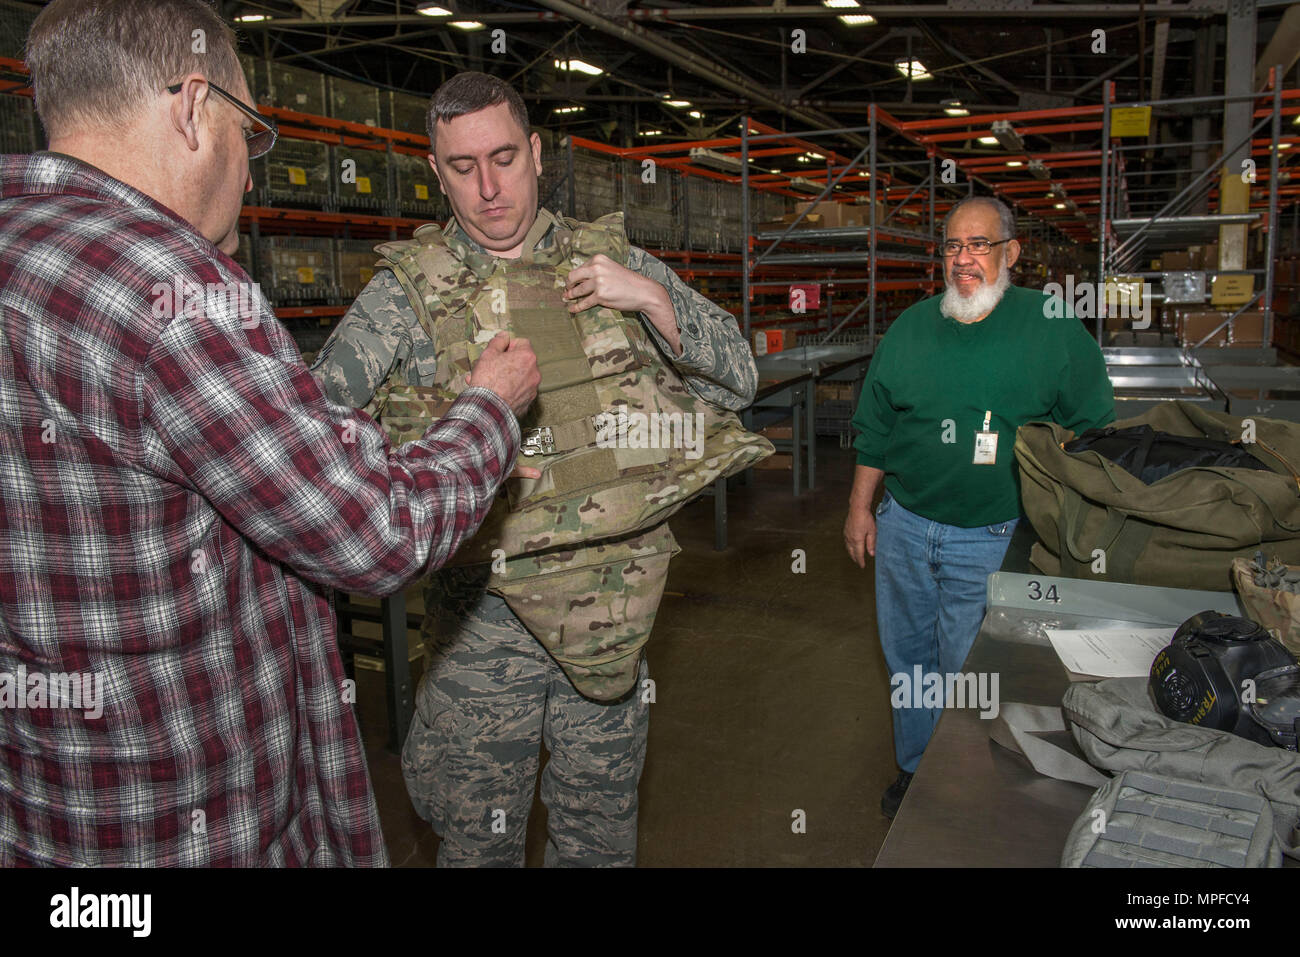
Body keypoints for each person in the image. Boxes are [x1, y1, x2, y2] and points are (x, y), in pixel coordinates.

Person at [0, 0, 539, 866]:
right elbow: (376, 529)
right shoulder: (172, 292)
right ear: (191, 108)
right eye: (249, 136)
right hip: (193, 817)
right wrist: (489, 406)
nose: (252, 174)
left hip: (51, 810)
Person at [310, 71, 768, 867]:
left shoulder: (613, 260)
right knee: (479, 842)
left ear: (536, 151)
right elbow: (310, 440)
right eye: (461, 168)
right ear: (435, 169)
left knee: (597, 839)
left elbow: (740, 375)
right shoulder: (404, 297)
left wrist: (656, 302)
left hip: (615, 616)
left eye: (503, 159)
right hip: (487, 621)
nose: (488, 189)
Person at [842, 195, 1115, 819]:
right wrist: (861, 509)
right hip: (905, 525)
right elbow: (875, 428)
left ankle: (962, 782)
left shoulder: (1050, 324)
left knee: (970, 668)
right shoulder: (912, 327)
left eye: (979, 246)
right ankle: (915, 769)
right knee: (908, 657)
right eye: (953, 246)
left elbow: (1095, 427)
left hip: (991, 535)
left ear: (1011, 252)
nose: (963, 260)